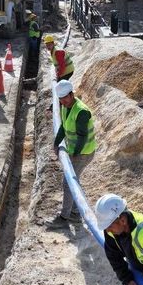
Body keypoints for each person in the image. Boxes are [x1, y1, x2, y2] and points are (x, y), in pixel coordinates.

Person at [45, 79, 95, 229]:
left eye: (65, 98)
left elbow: (82, 137)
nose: (63, 101)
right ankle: (75, 213)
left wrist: (74, 154)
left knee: (69, 183)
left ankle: (64, 217)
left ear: (72, 94)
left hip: (84, 152)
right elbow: (64, 128)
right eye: (60, 99)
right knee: (73, 181)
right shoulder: (66, 106)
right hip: (77, 151)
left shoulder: (81, 112)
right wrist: (56, 143)